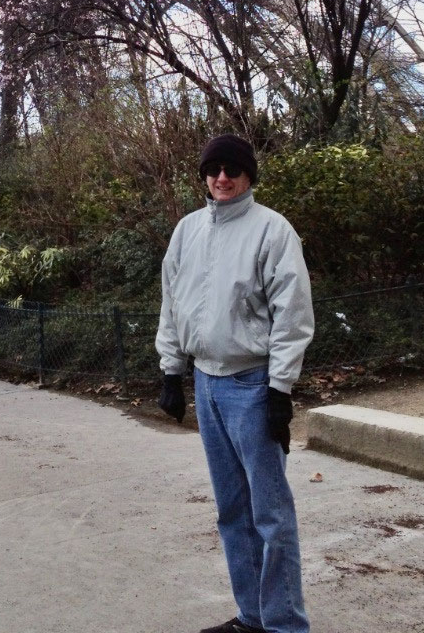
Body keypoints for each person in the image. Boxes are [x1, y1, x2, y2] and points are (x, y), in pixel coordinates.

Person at [156, 134, 315, 633]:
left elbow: (293, 315)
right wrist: (170, 369)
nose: (222, 177)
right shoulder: (186, 231)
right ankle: (252, 618)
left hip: (251, 385)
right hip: (205, 383)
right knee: (232, 510)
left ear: (249, 176)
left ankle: (285, 625)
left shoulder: (272, 231)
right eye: (213, 168)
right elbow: (172, 301)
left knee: (270, 514)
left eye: (232, 169)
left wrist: (279, 390)